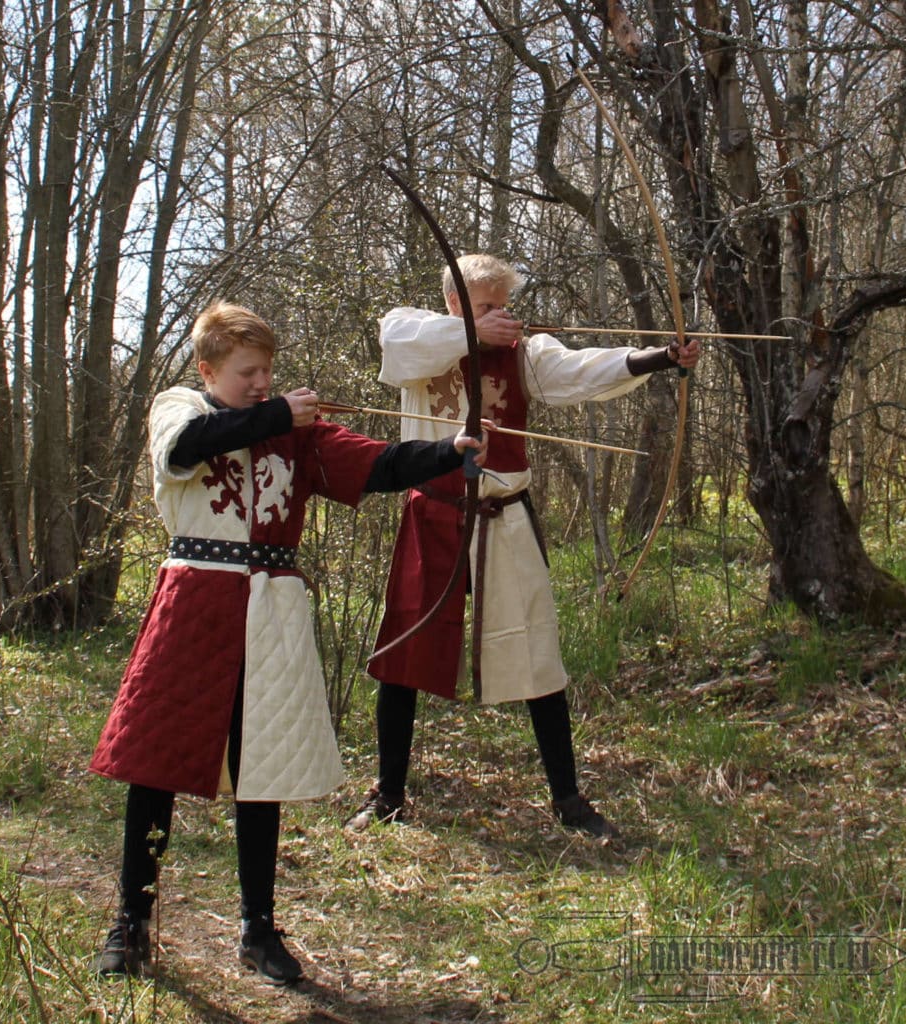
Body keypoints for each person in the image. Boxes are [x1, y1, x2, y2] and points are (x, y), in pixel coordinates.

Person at [90, 302, 487, 984]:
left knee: (262, 766)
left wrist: (448, 450)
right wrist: (278, 414)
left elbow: (380, 464)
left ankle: (258, 927)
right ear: (208, 369)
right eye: (246, 372)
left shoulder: (294, 434)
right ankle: (132, 921)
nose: (260, 383)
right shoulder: (180, 407)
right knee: (155, 763)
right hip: (194, 605)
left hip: (270, 613)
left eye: (266, 372)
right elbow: (184, 449)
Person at [346, 254, 700, 838]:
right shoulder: (412, 332)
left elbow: (581, 370)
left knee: (537, 654)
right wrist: (471, 332)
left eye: (503, 305)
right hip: (432, 516)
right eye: (485, 305)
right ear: (454, 303)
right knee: (404, 654)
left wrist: (660, 357)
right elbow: (400, 343)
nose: (500, 316)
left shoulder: (524, 353)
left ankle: (569, 800)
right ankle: (388, 795)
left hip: (501, 515)